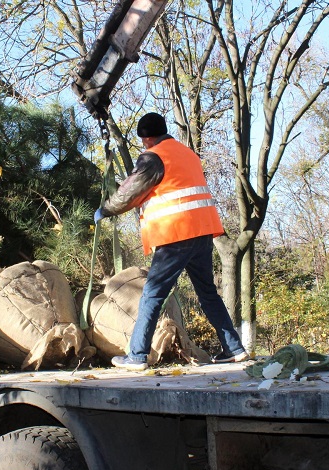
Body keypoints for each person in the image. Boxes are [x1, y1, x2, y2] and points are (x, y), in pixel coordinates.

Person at [94, 112, 249, 370]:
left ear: (147, 138)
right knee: (208, 292)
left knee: (153, 293)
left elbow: (130, 193)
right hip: (202, 232)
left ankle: (137, 355)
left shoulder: (154, 157)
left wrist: (106, 209)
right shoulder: (187, 154)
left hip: (176, 233)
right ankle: (233, 348)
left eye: (143, 141)